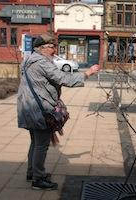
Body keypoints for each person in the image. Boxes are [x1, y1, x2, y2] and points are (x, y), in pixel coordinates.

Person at [17, 33, 100, 190]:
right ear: (41, 49)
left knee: (35, 142)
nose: (54, 50)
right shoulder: (41, 62)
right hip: (38, 110)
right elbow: (63, 78)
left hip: (28, 107)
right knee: (41, 145)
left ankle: (32, 173)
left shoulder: (29, 60)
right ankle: (38, 179)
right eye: (51, 47)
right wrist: (87, 73)